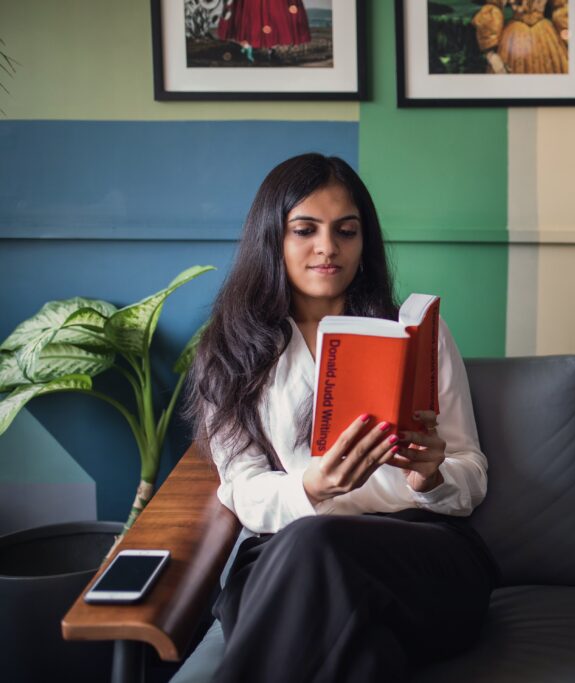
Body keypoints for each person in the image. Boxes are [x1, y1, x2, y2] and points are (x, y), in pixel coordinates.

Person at [183, 153, 497, 682]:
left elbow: (472, 471)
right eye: (305, 230)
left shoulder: (416, 333)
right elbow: (242, 487)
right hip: (292, 556)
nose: (328, 247)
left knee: (314, 547)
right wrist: (311, 488)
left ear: (362, 242)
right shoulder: (230, 352)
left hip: (421, 554)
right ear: (272, 239)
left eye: (346, 232)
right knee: (357, 641)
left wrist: (433, 476)